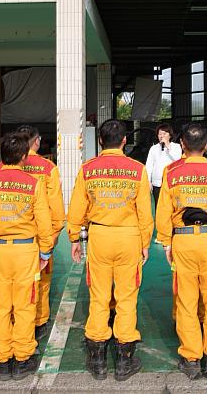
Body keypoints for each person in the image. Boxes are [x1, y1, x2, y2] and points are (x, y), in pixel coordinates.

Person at [68, 120, 153, 381]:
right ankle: (125, 360)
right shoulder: (137, 170)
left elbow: (77, 209)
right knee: (127, 296)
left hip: (100, 236)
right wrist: (145, 242)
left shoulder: (87, 170)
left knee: (99, 294)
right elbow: (144, 212)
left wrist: (74, 238)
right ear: (125, 141)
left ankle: (97, 359)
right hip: (129, 237)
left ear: (101, 142)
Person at [157, 123, 207, 381]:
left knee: (186, 301)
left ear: (182, 144)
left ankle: (191, 357)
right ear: (206, 147)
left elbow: (163, 214)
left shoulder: (171, 173)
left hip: (183, 243)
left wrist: (167, 243)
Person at [0, 132, 54, 380]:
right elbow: (44, 223)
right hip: (25, 250)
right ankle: (22, 358)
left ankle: (1, 358)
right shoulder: (33, 184)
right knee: (25, 304)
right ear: (25, 157)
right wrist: (46, 251)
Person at [14, 125, 66, 340]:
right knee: (41, 282)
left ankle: (14, 325)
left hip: (8, 237)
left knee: (10, 285)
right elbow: (55, 208)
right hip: (38, 235)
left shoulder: (1, 168)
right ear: (37, 141)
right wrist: (53, 237)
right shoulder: (48, 168)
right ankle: (38, 321)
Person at [145, 123, 182, 210]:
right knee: (158, 207)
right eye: (159, 134)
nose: (162, 136)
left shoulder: (176, 147)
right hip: (157, 183)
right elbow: (149, 165)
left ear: (170, 135)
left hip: (172, 183)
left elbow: (178, 160)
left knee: (171, 207)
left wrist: (168, 147)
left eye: (164, 134)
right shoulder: (154, 148)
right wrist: (148, 181)